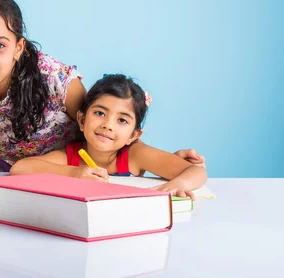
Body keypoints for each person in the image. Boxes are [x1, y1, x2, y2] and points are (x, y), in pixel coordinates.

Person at [0, 0, 205, 172]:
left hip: (73, 169)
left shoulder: (55, 79)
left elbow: (100, 125)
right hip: (11, 175)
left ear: (18, 48)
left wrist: (162, 161)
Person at [11, 74, 208, 199]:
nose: (107, 125)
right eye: (99, 113)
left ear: (134, 135)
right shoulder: (72, 156)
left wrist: (176, 185)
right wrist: (73, 173)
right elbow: (20, 168)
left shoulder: (135, 155)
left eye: (122, 120)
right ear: (81, 120)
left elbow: (197, 172)